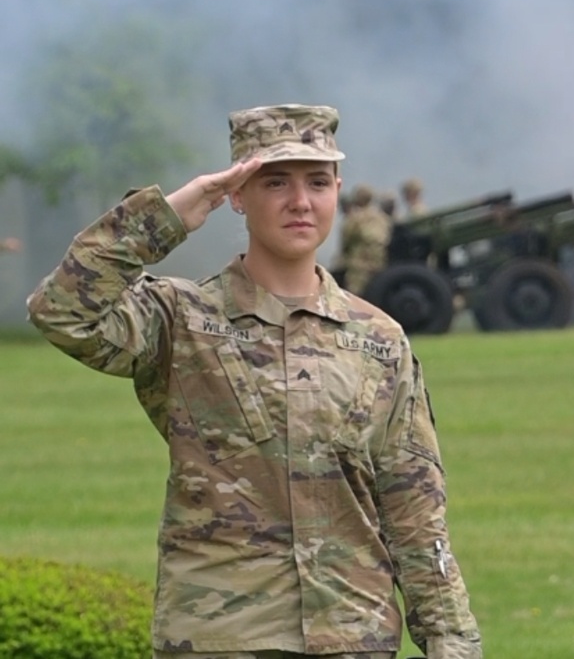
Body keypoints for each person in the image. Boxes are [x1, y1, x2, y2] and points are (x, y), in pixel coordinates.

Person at [27, 103, 482, 659]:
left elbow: (414, 510)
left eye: (317, 181)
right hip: (221, 636)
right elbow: (61, 312)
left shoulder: (380, 339)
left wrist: (450, 640)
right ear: (236, 196)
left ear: (338, 189)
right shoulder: (182, 318)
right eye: (274, 182)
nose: (300, 201)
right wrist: (167, 217)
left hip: (353, 635)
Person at [338, 183, 392, 297]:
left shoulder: (354, 217)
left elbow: (346, 239)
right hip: (379, 261)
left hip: (358, 263)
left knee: (355, 296)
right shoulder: (382, 217)